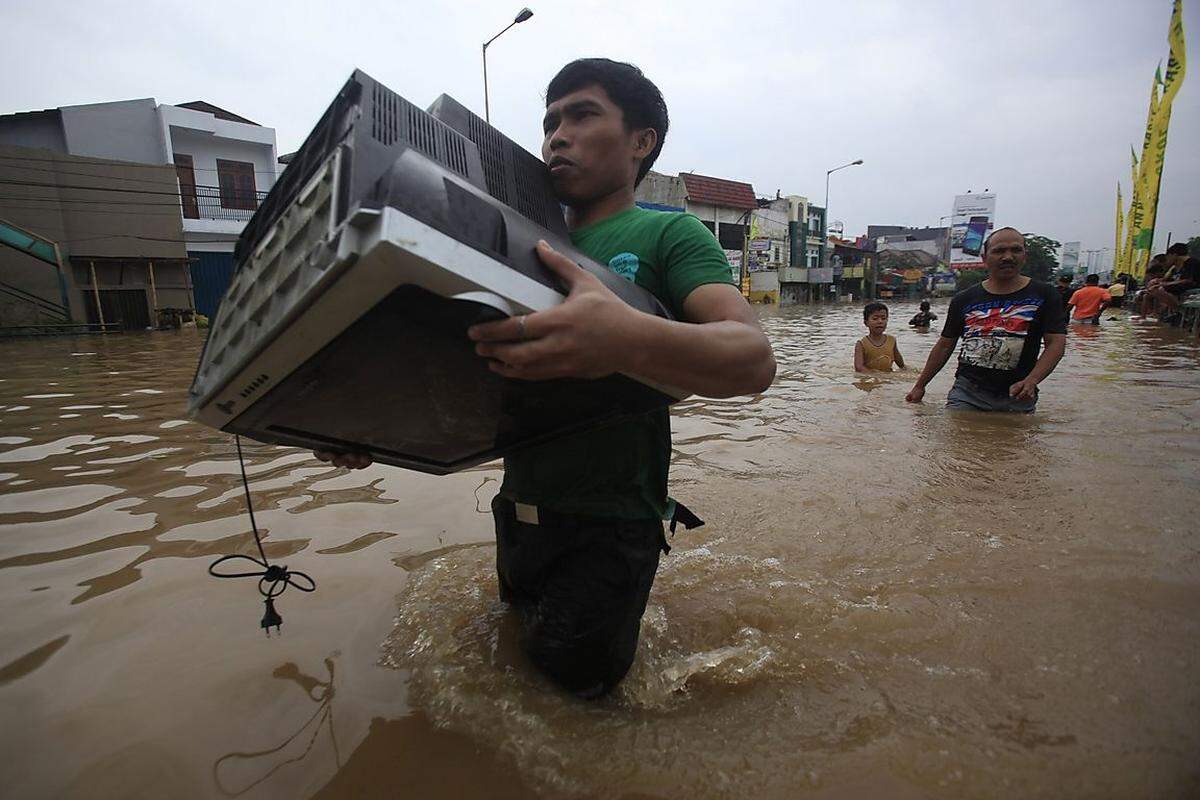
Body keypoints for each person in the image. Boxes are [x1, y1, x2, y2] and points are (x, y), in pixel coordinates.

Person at [317, 59, 776, 699]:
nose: (557, 135)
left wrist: (623, 335)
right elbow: (461, 378)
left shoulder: (668, 231)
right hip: (518, 512)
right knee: (520, 671)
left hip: (611, 523)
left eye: (583, 114)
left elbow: (753, 359)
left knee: (575, 700)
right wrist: (370, 428)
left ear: (641, 141)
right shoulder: (505, 238)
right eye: (550, 121)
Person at [905, 227, 1067, 412]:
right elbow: (944, 345)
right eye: (999, 251)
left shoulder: (1045, 295)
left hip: (1019, 392)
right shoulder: (964, 299)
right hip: (967, 393)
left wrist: (1032, 380)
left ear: (1025, 255)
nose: (1007, 257)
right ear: (984, 258)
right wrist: (920, 385)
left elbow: (1056, 344)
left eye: (1015, 250)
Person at [1143, 242, 1199, 321]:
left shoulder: (1192, 263)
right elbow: (1171, 279)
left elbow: (1188, 280)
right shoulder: (1177, 266)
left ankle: (1180, 311)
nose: (1167, 259)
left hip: (1192, 288)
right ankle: (1147, 316)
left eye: (1168, 256)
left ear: (1174, 255)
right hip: (1181, 287)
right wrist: (1158, 281)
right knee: (1149, 293)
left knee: (1157, 289)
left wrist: (1163, 284)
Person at [855, 302, 905, 372]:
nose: (880, 321)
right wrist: (875, 376)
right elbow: (859, 367)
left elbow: (900, 363)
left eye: (883, 318)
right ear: (866, 323)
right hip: (870, 379)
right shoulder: (861, 343)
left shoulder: (892, 340)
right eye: (875, 319)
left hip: (888, 378)